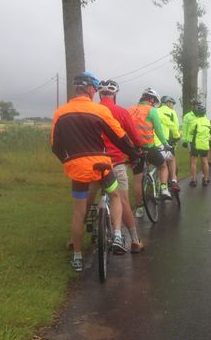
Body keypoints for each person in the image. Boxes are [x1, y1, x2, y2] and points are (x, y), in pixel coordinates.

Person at [51, 72, 137, 271]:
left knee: (79, 213)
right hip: (102, 166)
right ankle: (116, 235)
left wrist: (68, 161)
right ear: (90, 89)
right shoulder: (98, 110)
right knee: (116, 196)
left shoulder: (60, 112)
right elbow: (119, 137)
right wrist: (134, 154)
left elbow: (55, 146)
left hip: (77, 168)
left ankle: (78, 257)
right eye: (94, 88)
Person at [95, 79, 145, 253]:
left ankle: (74, 240)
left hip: (93, 162)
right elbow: (135, 137)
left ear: (99, 94)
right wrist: (138, 149)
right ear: (115, 94)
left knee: (83, 201)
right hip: (115, 162)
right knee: (122, 200)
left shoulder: (92, 110)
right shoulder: (121, 112)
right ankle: (134, 241)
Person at [129, 88, 171, 219]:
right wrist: (165, 144)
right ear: (151, 99)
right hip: (149, 147)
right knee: (163, 166)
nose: (154, 105)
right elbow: (158, 130)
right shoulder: (151, 110)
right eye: (155, 102)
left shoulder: (129, 110)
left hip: (134, 150)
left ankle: (140, 209)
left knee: (137, 180)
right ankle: (164, 188)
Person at [156, 95, 181, 187]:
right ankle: (174, 180)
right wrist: (177, 136)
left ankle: (160, 182)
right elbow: (175, 126)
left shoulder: (155, 110)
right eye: (172, 103)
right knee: (172, 159)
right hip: (167, 139)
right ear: (168, 103)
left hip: (155, 140)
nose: (172, 105)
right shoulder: (171, 112)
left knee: (160, 163)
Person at [186, 104, 211, 186]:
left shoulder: (195, 121)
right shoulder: (208, 121)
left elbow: (190, 131)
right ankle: (206, 179)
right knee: (205, 162)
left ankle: (194, 180)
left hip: (195, 144)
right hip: (205, 144)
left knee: (194, 162)